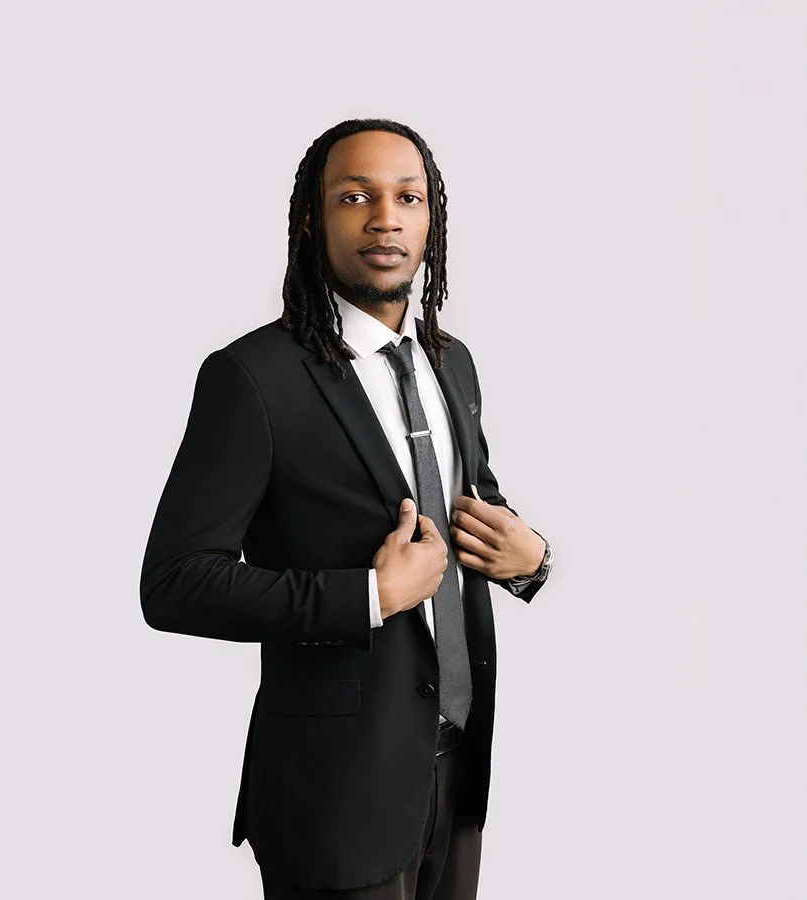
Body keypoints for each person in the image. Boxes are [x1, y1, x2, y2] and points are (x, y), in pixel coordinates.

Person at [139, 117, 553, 899]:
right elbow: (174, 583)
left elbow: (472, 504)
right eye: (354, 197)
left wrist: (532, 561)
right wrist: (370, 595)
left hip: (459, 768)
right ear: (311, 220)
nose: (385, 217)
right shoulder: (253, 377)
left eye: (408, 197)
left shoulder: (448, 360)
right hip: (335, 792)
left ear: (432, 221)